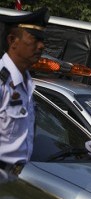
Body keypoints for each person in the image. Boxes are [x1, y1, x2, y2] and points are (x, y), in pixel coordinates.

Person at [0, 8, 49, 175]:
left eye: (42, 40)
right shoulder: (2, 82)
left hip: (15, 179)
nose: (41, 46)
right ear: (13, 40)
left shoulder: (26, 83)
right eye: (34, 39)